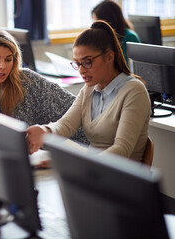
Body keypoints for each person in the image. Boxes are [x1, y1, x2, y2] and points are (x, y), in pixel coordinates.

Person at [26, 20, 151, 162]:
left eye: (87, 62)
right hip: (92, 173)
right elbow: (65, 125)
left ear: (109, 56)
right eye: (78, 63)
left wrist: (78, 164)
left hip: (121, 179)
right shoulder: (89, 89)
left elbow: (122, 150)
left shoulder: (134, 91)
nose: (81, 70)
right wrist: (45, 131)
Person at [0, 28, 88, 145]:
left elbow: (73, 109)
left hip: (32, 158)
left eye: (8, 59)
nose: (2, 66)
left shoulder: (28, 80)